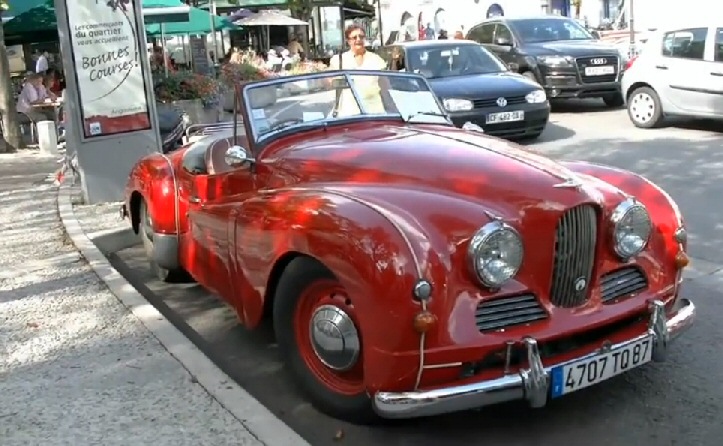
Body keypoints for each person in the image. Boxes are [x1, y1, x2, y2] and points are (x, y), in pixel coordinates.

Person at [328, 24, 388, 116]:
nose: (358, 40)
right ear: (348, 41)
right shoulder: (338, 60)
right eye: (354, 37)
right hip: (348, 113)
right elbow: (329, 83)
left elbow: (385, 87)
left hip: (374, 112)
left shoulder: (376, 59)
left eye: (361, 37)